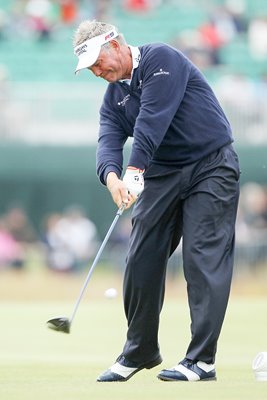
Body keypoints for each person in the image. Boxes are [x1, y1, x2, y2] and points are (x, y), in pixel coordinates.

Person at [73, 20, 240, 382]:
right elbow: (108, 137)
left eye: (99, 63)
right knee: (140, 257)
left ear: (115, 45)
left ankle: (202, 360)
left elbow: (153, 119)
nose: (98, 73)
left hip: (211, 165)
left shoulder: (162, 59)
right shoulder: (114, 95)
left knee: (202, 257)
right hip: (163, 172)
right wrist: (113, 178)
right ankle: (140, 350)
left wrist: (134, 171)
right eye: (91, 70)